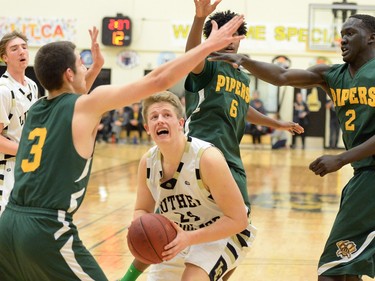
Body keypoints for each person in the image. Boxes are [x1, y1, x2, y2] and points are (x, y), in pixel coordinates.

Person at [0, 15, 247, 280]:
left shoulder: (37, 108)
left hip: (8, 225)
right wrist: (209, 45)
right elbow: (157, 80)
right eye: (81, 65)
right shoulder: (84, 106)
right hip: (46, 229)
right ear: (69, 73)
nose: (86, 69)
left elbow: (71, 97)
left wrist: (94, 69)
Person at [119, 1, 304, 280]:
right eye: (224, 36)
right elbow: (191, 56)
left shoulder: (242, 76)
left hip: (228, 158)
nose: (230, 42)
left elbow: (242, 108)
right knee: (159, 224)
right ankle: (130, 275)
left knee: (233, 226)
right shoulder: (207, 67)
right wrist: (199, 19)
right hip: (193, 153)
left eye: (236, 35)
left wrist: (276, 123)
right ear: (213, 39)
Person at [208, 13, 375, 281]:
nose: (342, 39)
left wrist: (341, 158)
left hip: (368, 178)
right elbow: (283, 75)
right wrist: (246, 60)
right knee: (345, 270)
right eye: (341, 34)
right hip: (363, 176)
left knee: (333, 271)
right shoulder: (332, 75)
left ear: (371, 38)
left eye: (351, 33)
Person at [130, 91, 255, 281]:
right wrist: (139, 228)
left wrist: (190, 238)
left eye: (167, 115)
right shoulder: (147, 162)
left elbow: (238, 220)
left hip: (225, 233)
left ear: (180, 123)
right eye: (154, 117)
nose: (160, 120)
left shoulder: (207, 158)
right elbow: (142, 209)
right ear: (147, 128)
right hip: (177, 236)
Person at [0, 31, 39, 215]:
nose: (21, 51)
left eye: (24, 47)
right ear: (4, 57)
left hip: (27, 167)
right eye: (14, 49)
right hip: (6, 169)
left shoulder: (32, 85)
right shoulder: (3, 91)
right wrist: (26, 150)